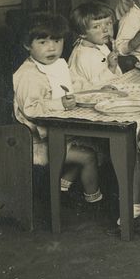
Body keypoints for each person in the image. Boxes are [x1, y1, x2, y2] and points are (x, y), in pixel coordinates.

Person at [12, 12, 103, 204]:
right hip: (37, 143)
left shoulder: (59, 64)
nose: (52, 47)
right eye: (42, 42)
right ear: (28, 45)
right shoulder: (29, 75)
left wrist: (99, 89)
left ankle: (62, 185)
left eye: (57, 40)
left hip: (61, 133)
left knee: (97, 145)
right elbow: (31, 109)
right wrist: (59, 103)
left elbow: (75, 84)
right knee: (88, 156)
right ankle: (94, 200)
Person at [68, 1, 120, 91]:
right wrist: (111, 68)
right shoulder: (85, 56)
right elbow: (97, 87)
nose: (105, 29)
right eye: (96, 26)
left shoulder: (100, 45)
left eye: (109, 23)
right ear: (82, 33)